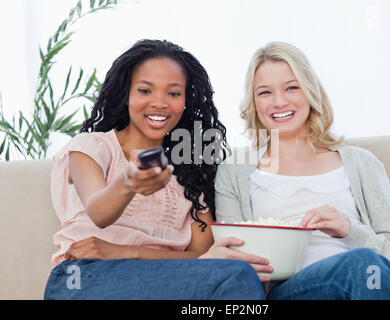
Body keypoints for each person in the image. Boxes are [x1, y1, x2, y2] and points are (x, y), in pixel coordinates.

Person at [43, 39, 265, 300]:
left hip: (163, 281)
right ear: (126, 95)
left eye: (173, 93)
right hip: (81, 278)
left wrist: (125, 251)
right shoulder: (92, 148)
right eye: (145, 91)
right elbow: (98, 211)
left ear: (186, 102)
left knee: (235, 275)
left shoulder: (193, 175)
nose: (159, 103)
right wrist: (128, 182)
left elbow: (200, 255)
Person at [201, 41, 390, 299]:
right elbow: (234, 260)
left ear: (309, 91)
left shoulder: (362, 162)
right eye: (264, 92)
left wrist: (349, 228)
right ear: (254, 103)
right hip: (292, 291)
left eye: (291, 87)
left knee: (365, 266)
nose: (279, 102)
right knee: (362, 264)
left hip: (367, 281)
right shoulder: (233, 172)